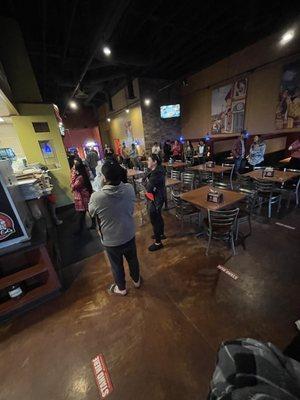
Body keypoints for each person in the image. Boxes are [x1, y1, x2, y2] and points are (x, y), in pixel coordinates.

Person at [88, 160, 140, 296]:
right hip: (129, 233)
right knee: (133, 259)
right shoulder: (129, 188)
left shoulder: (96, 197)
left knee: (116, 265)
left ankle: (121, 288)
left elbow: (91, 212)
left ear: (104, 178)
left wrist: (99, 188)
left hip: (111, 239)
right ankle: (137, 281)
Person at [143, 154, 166, 252]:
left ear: (155, 162)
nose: (147, 162)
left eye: (149, 160)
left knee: (154, 219)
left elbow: (148, 188)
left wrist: (147, 185)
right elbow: (146, 182)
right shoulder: (156, 170)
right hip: (158, 197)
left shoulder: (157, 173)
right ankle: (161, 234)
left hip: (156, 198)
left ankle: (158, 242)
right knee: (158, 216)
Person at [71, 159, 93, 234]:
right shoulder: (84, 173)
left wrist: (73, 176)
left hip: (81, 197)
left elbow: (73, 186)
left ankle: (79, 229)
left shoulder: (79, 178)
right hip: (86, 194)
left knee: (81, 213)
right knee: (88, 211)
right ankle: (93, 224)